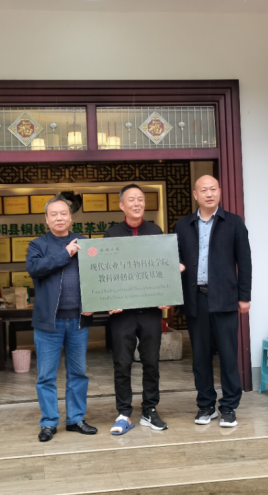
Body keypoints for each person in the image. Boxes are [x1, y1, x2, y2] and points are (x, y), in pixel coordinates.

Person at [175, 175, 252, 428]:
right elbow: (173, 259)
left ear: (219, 192)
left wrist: (244, 296)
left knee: (228, 356)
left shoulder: (233, 223)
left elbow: (245, 261)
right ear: (195, 195)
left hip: (225, 299)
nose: (209, 194)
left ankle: (229, 406)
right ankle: (206, 405)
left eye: (213, 189)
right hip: (195, 299)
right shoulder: (183, 225)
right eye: (203, 190)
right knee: (200, 358)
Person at [26, 195, 98, 442]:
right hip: (49, 323)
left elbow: (97, 277)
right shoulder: (38, 245)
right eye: (54, 214)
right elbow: (35, 268)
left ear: (70, 217)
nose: (59, 218)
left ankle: (76, 419)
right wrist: (66, 253)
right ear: (46, 220)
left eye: (63, 213)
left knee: (78, 373)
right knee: (46, 376)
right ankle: (48, 422)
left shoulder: (85, 243)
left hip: (77, 321)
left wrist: (93, 304)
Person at [103, 184, 171, 435]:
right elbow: (105, 272)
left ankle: (150, 410)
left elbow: (163, 266)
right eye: (131, 199)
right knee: (122, 363)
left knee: (151, 361)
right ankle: (123, 413)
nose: (137, 203)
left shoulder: (155, 231)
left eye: (140, 199)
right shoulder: (111, 234)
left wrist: (166, 294)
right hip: (123, 313)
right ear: (122, 205)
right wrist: (109, 300)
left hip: (150, 310)